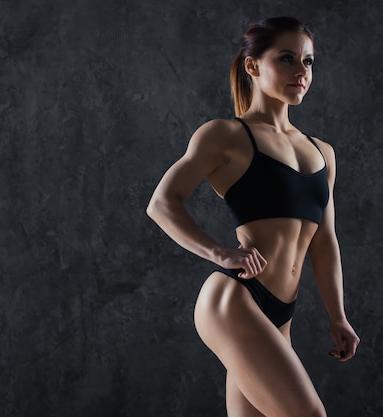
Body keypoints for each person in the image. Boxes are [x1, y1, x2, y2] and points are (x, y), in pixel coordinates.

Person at [146, 16, 360, 417]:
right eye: (286, 58)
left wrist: (338, 316)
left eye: (309, 61)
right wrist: (220, 253)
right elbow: (162, 203)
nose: (301, 71)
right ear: (253, 66)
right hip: (235, 301)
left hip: (280, 316)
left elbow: (325, 241)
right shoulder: (226, 135)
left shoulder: (322, 153)